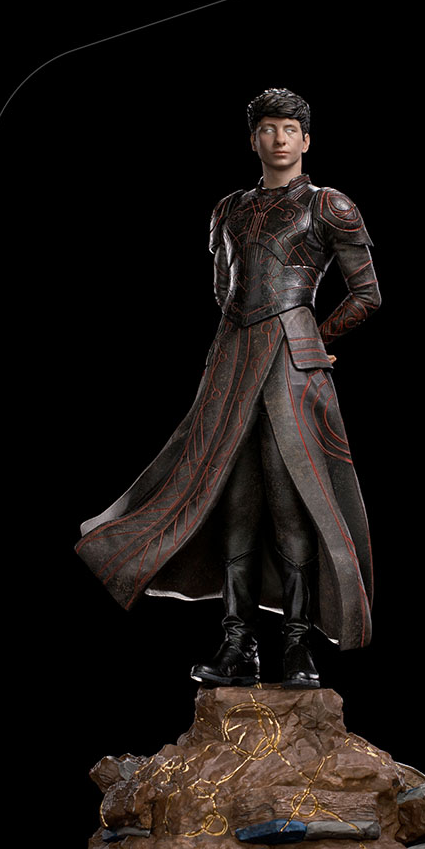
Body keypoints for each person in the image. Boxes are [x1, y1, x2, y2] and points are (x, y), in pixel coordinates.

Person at [75, 88, 381, 689]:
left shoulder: (329, 205)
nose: (279, 138)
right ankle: (237, 643)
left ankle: (297, 646)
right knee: (231, 502)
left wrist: (311, 337)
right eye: (267, 128)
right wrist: (257, 339)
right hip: (231, 365)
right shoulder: (228, 210)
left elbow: (367, 294)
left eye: (289, 128)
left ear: (306, 139)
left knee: (293, 502)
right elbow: (225, 290)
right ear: (253, 139)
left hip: (292, 369)